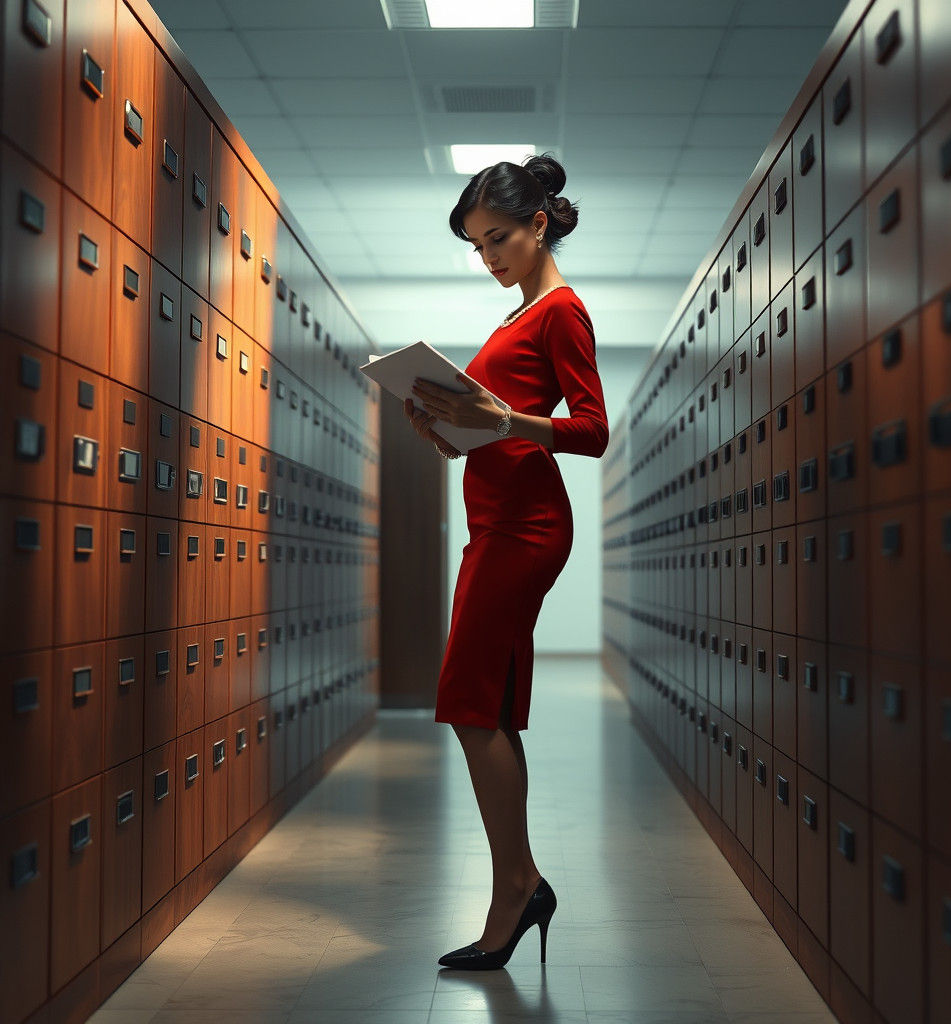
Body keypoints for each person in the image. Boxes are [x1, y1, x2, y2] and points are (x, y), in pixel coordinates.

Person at [404, 152, 609, 971]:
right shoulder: (514, 317)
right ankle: (519, 886)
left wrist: (503, 417)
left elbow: (591, 430)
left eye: (497, 239)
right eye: (475, 245)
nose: (487, 257)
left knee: (464, 698)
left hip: (525, 522)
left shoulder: (562, 311)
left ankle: (515, 888)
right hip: (492, 516)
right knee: (483, 701)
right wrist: (452, 431)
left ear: (537, 224)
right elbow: (496, 425)